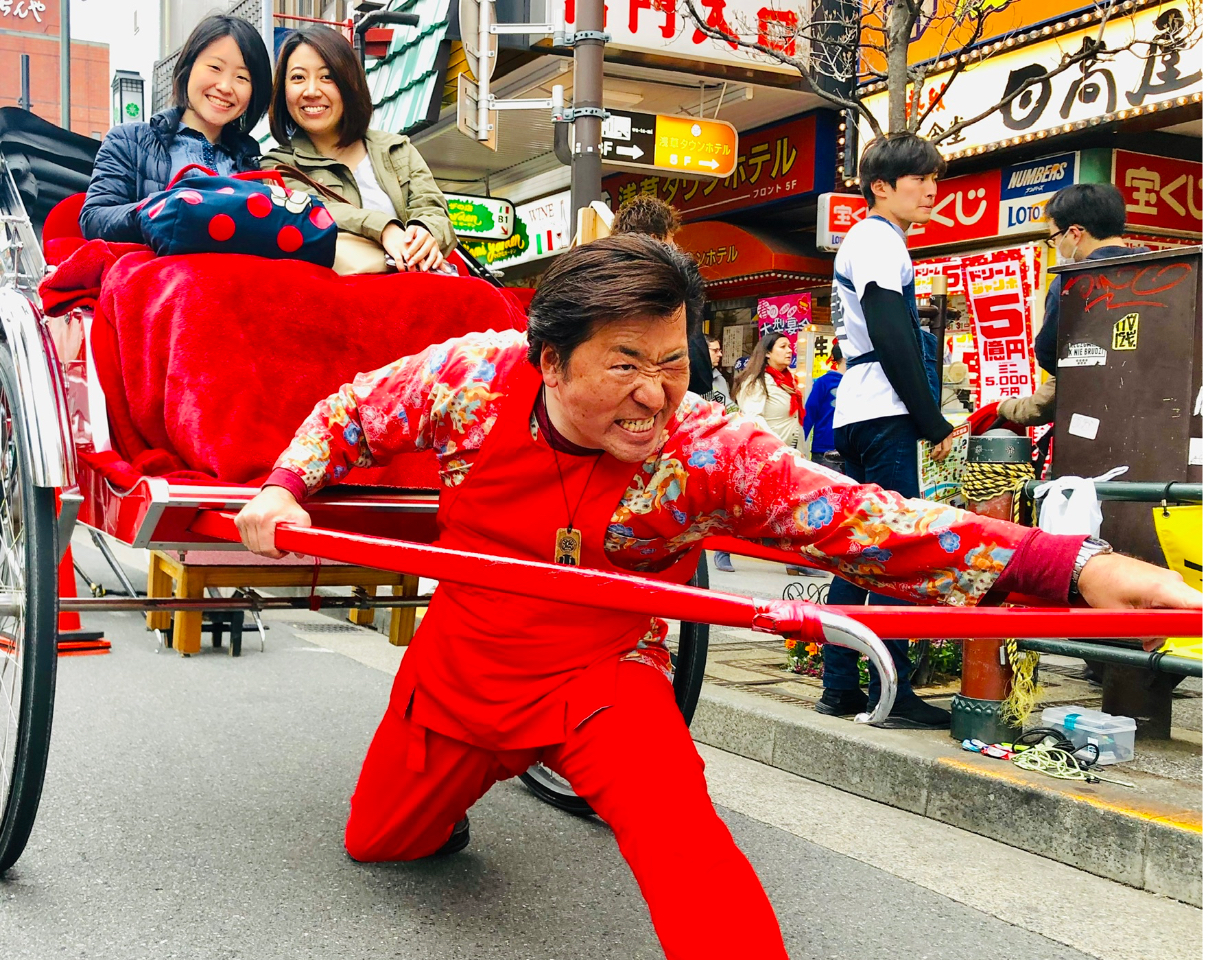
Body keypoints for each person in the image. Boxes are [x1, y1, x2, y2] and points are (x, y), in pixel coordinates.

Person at [235, 235, 1196, 960]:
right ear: (548, 358)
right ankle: (453, 797)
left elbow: (864, 518)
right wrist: (286, 483)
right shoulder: (469, 381)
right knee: (383, 845)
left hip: (603, 679)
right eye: (623, 364)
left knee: (686, 845)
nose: (655, 395)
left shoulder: (711, 448)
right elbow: (349, 412)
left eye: (672, 362)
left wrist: (1067, 567)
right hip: (462, 668)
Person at [819, 134, 967, 729]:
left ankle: (839, 685)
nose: (931, 188)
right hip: (883, 411)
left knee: (855, 554)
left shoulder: (864, 240)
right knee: (896, 550)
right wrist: (932, 421)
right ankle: (894, 687)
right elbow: (893, 334)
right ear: (881, 185)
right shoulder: (880, 241)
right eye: (918, 178)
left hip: (857, 408)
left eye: (934, 177)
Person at [262, 27, 455, 272]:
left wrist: (426, 232)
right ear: (283, 91)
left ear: (349, 83)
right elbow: (312, 210)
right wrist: (383, 228)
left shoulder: (396, 150)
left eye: (327, 77)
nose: (311, 91)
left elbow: (433, 208)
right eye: (298, 78)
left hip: (410, 298)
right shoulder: (275, 167)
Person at [80, 15, 272, 242]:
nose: (225, 86)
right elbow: (94, 218)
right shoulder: (128, 141)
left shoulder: (255, 163)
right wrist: (162, 210)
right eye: (215, 67)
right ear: (188, 66)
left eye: (242, 77)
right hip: (157, 276)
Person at [1034, 183, 1148, 377]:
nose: (1057, 246)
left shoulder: (1069, 284)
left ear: (1074, 234)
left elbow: (1047, 352)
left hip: (1091, 394)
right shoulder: (1164, 270)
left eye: (1054, 238)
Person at [612, 194, 714, 395]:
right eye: (671, 240)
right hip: (674, 396)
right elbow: (696, 363)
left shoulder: (604, 285)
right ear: (655, 239)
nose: (676, 248)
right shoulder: (669, 286)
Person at [733, 332, 804, 449]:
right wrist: (776, 444)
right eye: (783, 347)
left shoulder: (790, 380)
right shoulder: (755, 381)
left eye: (790, 347)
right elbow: (753, 417)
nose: (789, 351)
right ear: (767, 353)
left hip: (791, 451)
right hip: (768, 451)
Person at [703, 336, 736, 573]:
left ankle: (722, 551)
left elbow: (730, 407)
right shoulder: (694, 378)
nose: (720, 354)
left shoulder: (720, 380)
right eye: (715, 350)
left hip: (722, 447)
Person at [805, 341, 845, 472]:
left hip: (853, 453)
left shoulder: (859, 381)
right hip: (825, 451)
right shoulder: (824, 382)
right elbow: (809, 414)